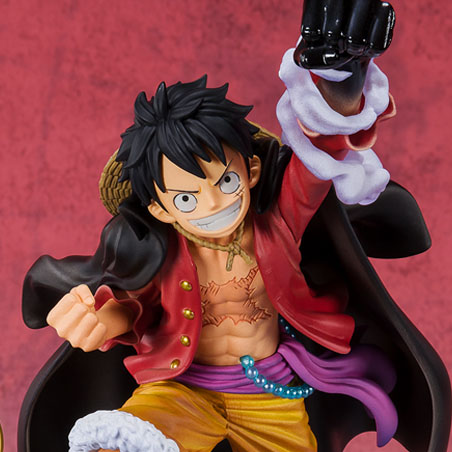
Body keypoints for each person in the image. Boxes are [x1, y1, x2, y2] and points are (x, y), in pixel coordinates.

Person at [20, 1, 451, 451]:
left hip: (271, 396)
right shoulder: (157, 251)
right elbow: (134, 309)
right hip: (180, 393)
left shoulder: (277, 224)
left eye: (226, 181)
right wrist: (99, 319)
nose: (214, 203)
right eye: (186, 198)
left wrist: (338, 85)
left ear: (252, 171)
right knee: (125, 443)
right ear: (161, 209)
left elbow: (318, 161)